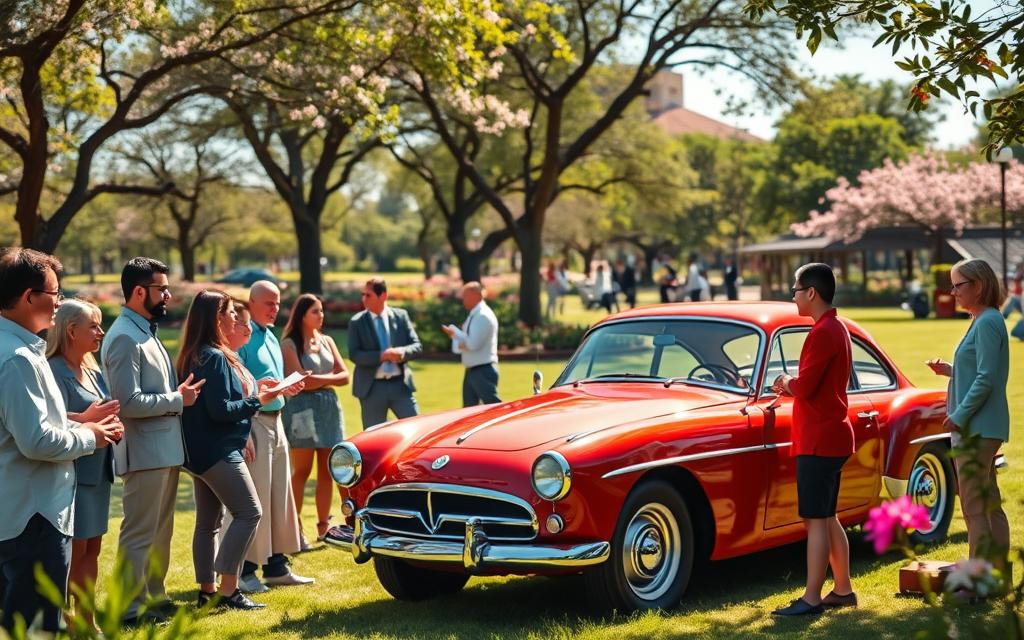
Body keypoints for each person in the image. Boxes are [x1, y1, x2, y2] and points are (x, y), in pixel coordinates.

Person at [0, 248, 122, 635]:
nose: (59, 301)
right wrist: (91, 434)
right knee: (37, 628)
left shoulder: (16, 349)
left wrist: (76, 422)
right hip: (33, 520)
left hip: (20, 514)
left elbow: (20, 425)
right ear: (28, 297)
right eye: (55, 292)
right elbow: (36, 441)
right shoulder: (17, 357)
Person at [178, 290, 302, 611]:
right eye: (231, 313)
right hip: (218, 451)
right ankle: (228, 589)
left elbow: (222, 399)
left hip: (200, 452)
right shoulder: (215, 357)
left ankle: (208, 592)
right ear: (216, 318)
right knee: (250, 512)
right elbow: (222, 410)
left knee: (209, 523)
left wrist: (262, 390)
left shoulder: (202, 352)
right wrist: (258, 401)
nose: (235, 318)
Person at [102, 257, 205, 626]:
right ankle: (128, 610)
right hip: (143, 452)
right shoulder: (124, 337)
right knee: (139, 533)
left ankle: (154, 599)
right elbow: (126, 403)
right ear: (139, 291)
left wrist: (174, 396)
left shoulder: (145, 330)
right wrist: (178, 400)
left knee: (160, 532)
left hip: (163, 450)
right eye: (162, 289)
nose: (168, 295)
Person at [770, 263, 857, 616]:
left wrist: (785, 380)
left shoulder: (822, 332)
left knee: (815, 520)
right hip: (831, 434)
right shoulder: (837, 327)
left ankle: (810, 598)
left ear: (811, 293)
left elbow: (806, 386)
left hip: (819, 439)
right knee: (828, 515)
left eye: (796, 288)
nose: (793, 295)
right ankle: (843, 589)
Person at [926, 258, 1011, 579]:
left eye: (958, 285)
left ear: (978, 285)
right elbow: (979, 370)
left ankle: (977, 579)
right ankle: (996, 575)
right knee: (987, 502)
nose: (953, 292)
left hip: (977, 426)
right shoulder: (983, 319)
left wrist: (959, 415)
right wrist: (949, 369)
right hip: (982, 426)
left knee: (974, 508)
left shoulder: (987, 321)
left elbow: (987, 377)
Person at [46, 299, 121, 629]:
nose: (100, 332)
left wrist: (113, 425)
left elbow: (103, 412)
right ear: (70, 330)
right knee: (75, 551)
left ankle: (86, 619)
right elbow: (45, 423)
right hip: (71, 474)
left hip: (99, 471)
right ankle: (67, 618)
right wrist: (84, 419)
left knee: (93, 548)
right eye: (93, 325)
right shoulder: (51, 371)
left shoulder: (93, 370)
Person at [234, 285, 311, 592]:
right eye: (268, 303)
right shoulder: (243, 335)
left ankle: (276, 566)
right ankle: (247, 569)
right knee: (259, 498)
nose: (274, 308)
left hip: (276, 419)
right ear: (251, 302)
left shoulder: (270, 335)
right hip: (254, 422)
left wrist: (286, 388)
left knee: (280, 495)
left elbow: (270, 382)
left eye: (278, 304)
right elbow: (235, 380)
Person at [282, 294, 350, 543]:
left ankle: (324, 527)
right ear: (302, 315)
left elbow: (345, 376)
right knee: (302, 469)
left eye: (322, 311)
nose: (321, 316)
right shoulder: (289, 343)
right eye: (315, 311)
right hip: (302, 410)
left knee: (327, 469)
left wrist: (318, 380)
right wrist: (326, 379)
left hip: (329, 408)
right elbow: (300, 382)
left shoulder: (328, 340)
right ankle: (294, 526)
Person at [348, 277, 422, 428]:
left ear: (383, 296)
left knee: (417, 429)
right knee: (373, 438)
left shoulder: (401, 316)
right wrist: (381, 356)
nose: (364, 299)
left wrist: (402, 352)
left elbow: (417, 346)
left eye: (368, 295)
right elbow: (354, 354)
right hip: (372, 388)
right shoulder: (356, 322)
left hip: (400, 386)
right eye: (363, 294)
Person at [442, 281, 500, 406]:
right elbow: (469, 341)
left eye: (465, 296)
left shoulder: (483, 315)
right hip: (474, 370)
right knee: (469, 412)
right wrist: (455, 335)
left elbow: (473, 344)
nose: (463, 300)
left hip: (482, 370)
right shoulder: (476, 314)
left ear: (476, 296)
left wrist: (459, 340)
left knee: (493, 407)